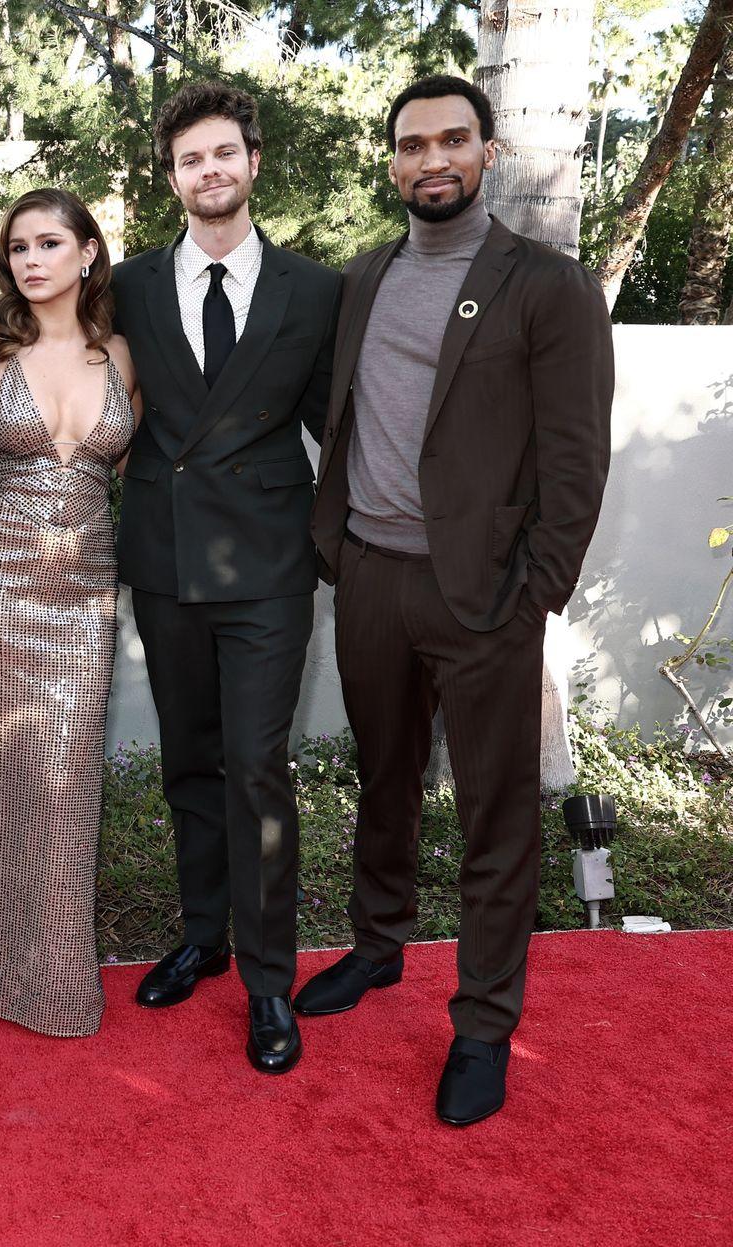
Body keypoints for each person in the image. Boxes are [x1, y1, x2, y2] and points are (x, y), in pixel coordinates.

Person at [297, 75, 612, 1126]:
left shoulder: (548, 285)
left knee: (495, 812)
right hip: (371, 576)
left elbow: (576, 458)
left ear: (487, 152)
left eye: (453, 139)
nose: (432, 158)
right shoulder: (363, 276)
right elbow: (343, 412)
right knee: (383, 778)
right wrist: (339, 542)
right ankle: (379, 944)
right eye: (412, 143)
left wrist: (537, 592)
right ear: (391, 161)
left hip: (485, 596)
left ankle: (482, 1021)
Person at [109, 82, 340, 1074]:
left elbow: (341, 427)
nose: (208, 171)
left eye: (222, 154)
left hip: (270, 564)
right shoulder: (126, 286)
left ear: (253, 161)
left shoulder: (315, 290)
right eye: (189, 159)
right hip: (166, 558)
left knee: (256, 765)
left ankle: (269, 977)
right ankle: (204, 934)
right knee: (189, 762)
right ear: (172, 177)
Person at [0, 188, 140, 1038]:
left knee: (64, 781)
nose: (31, 260)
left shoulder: (122, 354)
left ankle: (52, 972)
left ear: (87, 252)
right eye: (18, 247)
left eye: (50, 243)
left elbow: (136, 474)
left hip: (86, 593)